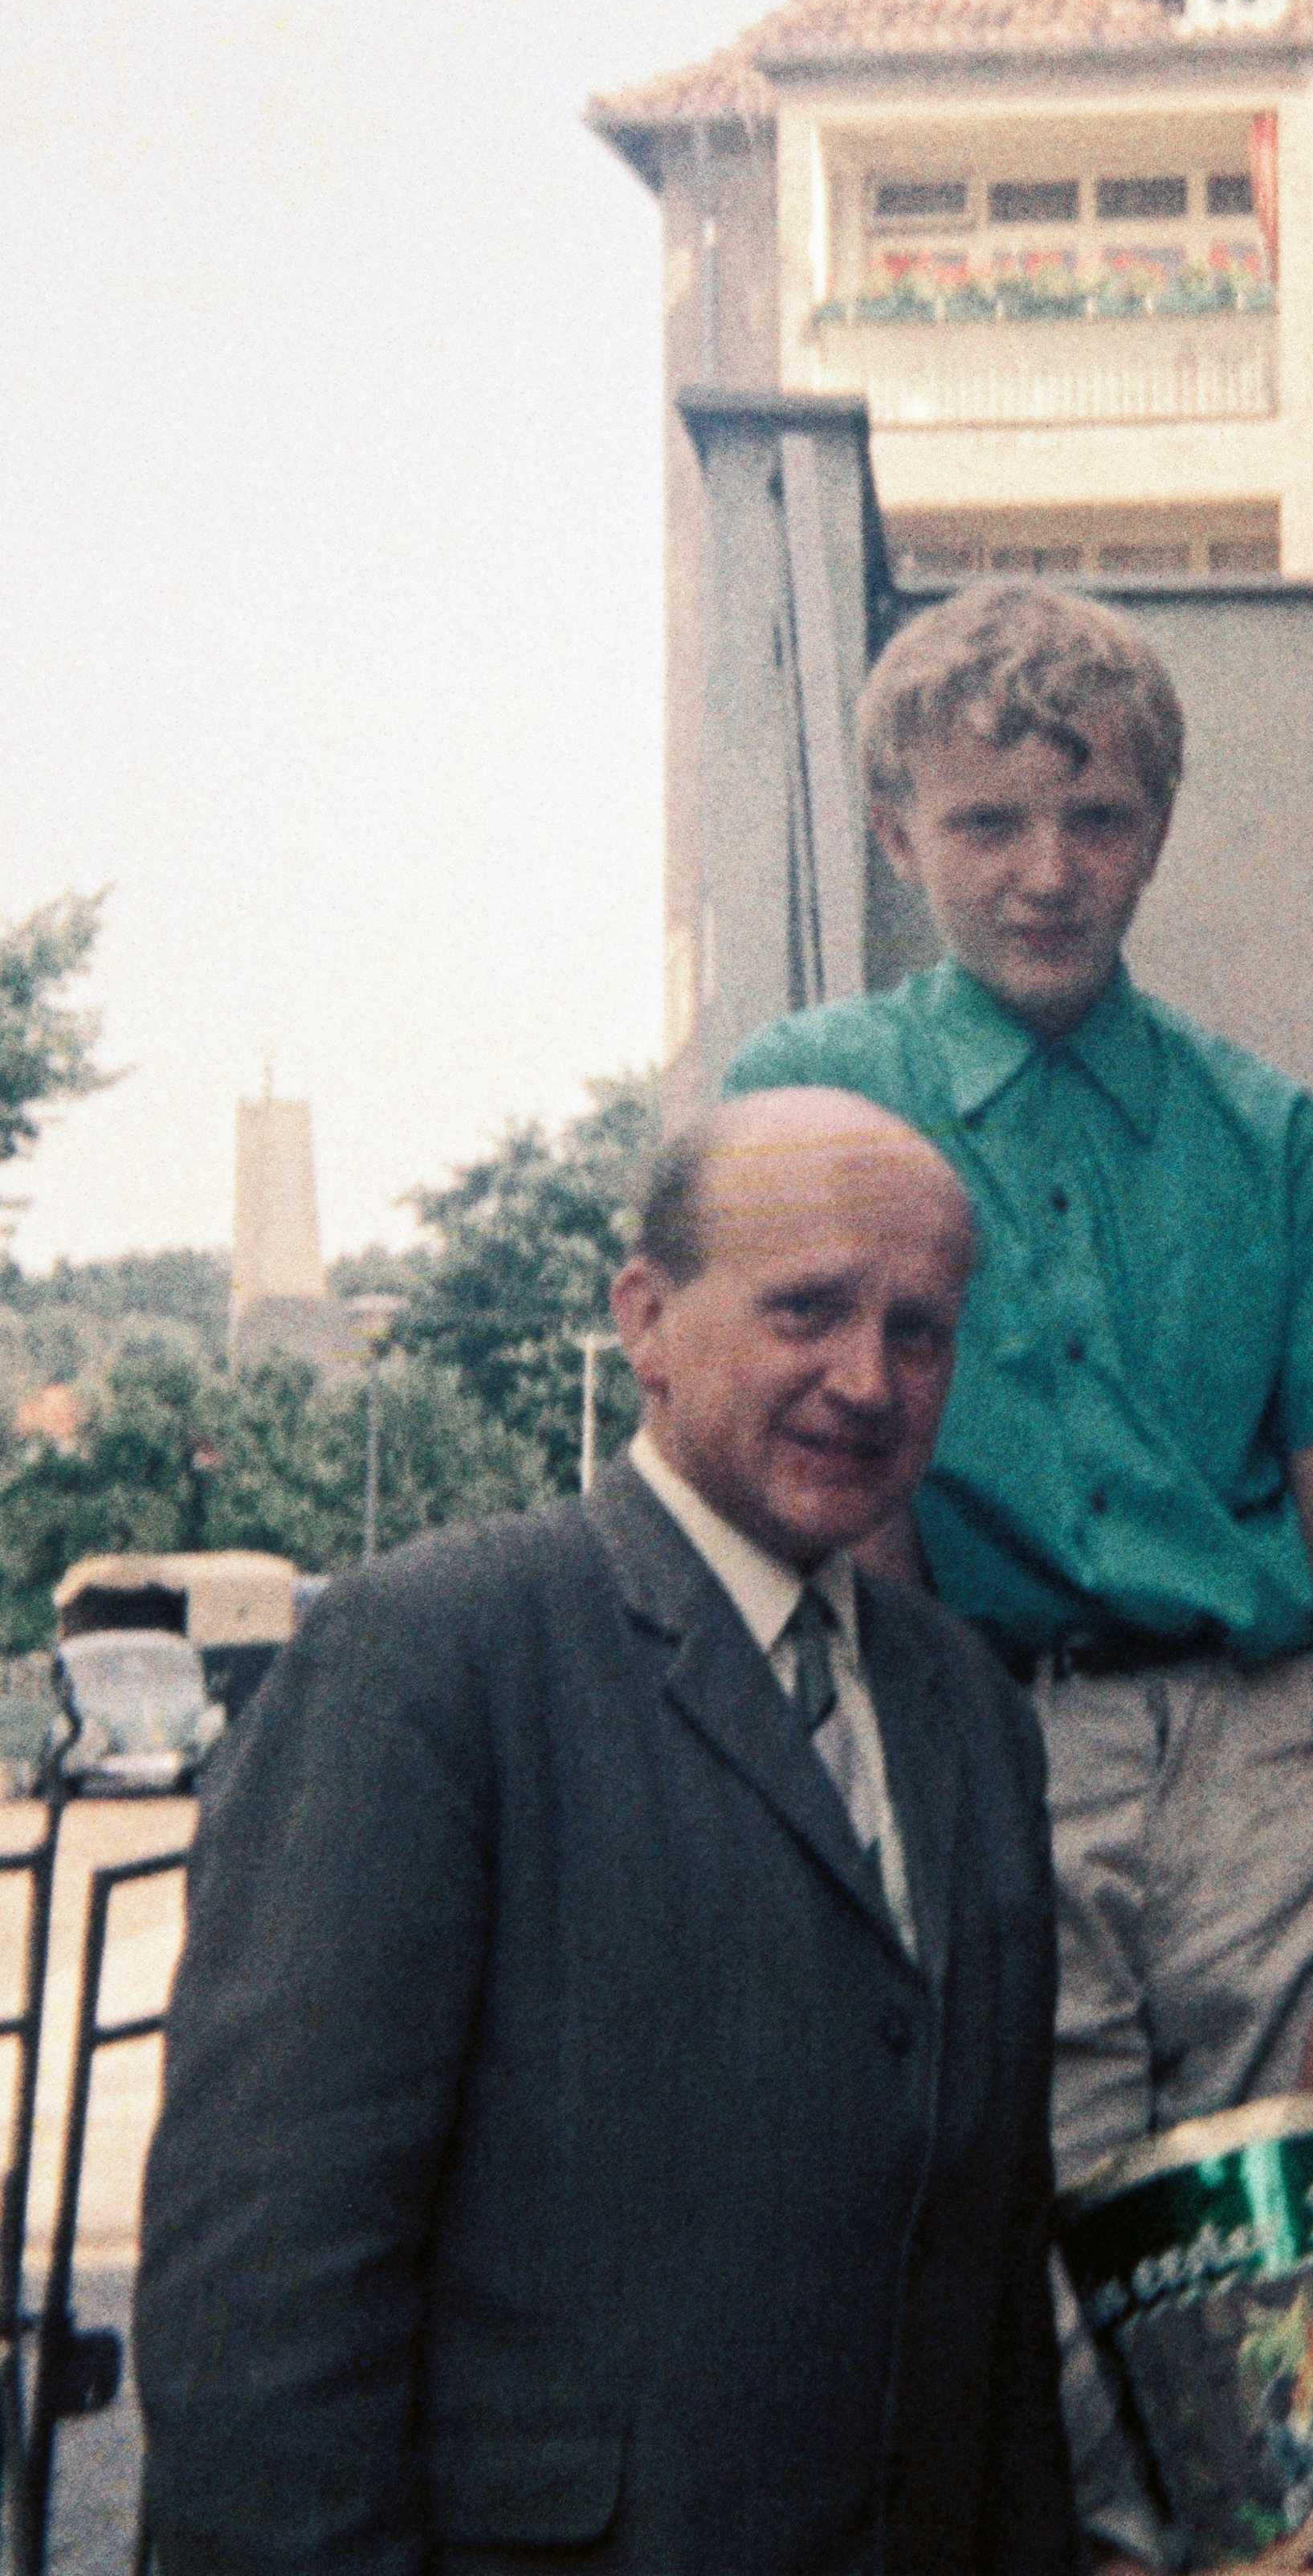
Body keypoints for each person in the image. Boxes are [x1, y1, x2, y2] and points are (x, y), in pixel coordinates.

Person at [725, 582, 1313, 2566]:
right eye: (986, 824)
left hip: (1252, 1761)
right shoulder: (817, 1088)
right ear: (895, 836)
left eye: (1097, 817)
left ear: (1159, 826)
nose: (1049, 870)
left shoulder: (1272, 1132)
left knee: (1292, 2266)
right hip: (975, 1725)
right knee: (1024, 2277)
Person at [134, 1089, 1076, 2576]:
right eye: (807, 1309)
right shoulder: (431, 1660)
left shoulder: (967, 1709)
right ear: (645, 1317)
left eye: (919, 1329)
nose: (866, 1378)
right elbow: (264, 2310)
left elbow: (988, 2297)